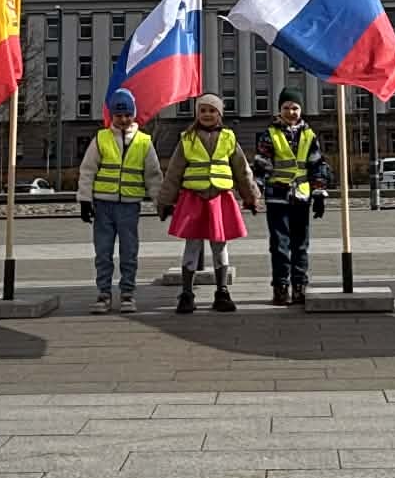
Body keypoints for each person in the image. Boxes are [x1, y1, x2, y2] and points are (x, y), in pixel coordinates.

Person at [157, 94, 259, 315]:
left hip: (219, 198)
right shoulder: (187, 139)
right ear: (197, 114)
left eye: (212, 110)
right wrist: (165, 201)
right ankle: (186, 293)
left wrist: (250, 196)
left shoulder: (229, 138)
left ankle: (222, 292)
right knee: (192, 245)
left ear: (219, 114)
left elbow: (242, 170)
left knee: (219, 244)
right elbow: (174, 173)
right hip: (193, 198)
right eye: (202, 110)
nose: (207, 114)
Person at [78, 88, 163, 313]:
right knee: (103, 251)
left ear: (134, 114)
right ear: (112, 116)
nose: (123, 119)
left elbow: (153, 175)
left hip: (129, 205)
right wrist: (85, 200)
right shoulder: (101, 138)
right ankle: (103, 294)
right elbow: (87, 170)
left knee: (129, 251)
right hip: (103, 205)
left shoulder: (144, 142)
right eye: (118, 115)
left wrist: (160, 202)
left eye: (127, 115)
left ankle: (127, 293)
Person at [252, 86, 327, 307]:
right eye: (286, 107)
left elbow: (317, 165)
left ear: (301, 110)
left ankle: (299, 286)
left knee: (300, 245)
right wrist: (255, 193)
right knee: (279, 244)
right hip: (277, 197)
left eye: (295, 108)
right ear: (279, 109)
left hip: (301, 198)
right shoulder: (270, 134)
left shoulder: (309, 135)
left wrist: (319, 191)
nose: (291, 112)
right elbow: (261, 166)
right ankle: (280, 286)